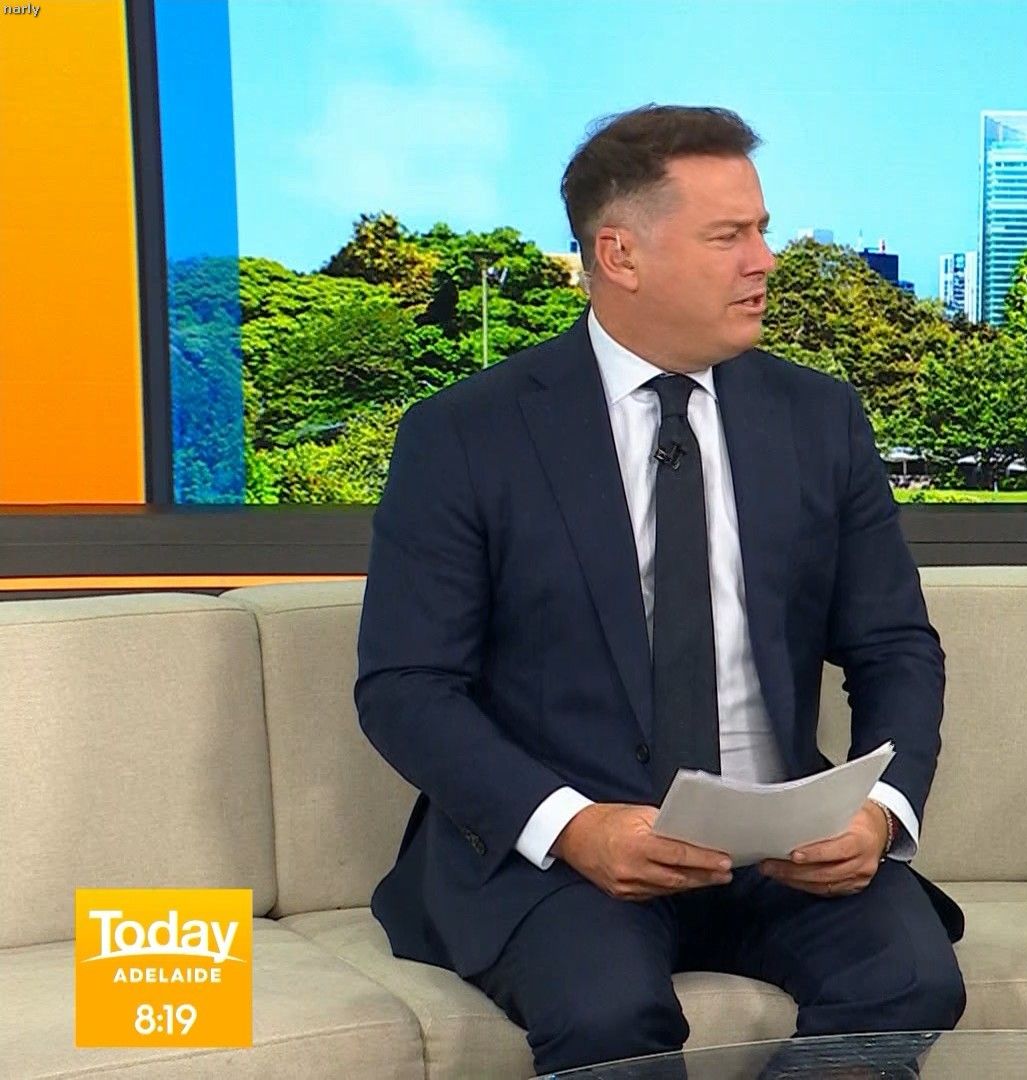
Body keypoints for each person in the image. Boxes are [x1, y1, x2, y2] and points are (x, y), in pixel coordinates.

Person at [355, 105, 965, 1074]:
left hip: (781, 854)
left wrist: (882, 810)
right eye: (729, 237)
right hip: (569, 860)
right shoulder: (466, 436)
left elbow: (895, 646)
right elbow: (406, 687)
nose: (764, 260)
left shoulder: (819, 420)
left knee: (912, 978)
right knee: (607, 1014)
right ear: (620, 254)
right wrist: (575, 826)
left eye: (762, 230)